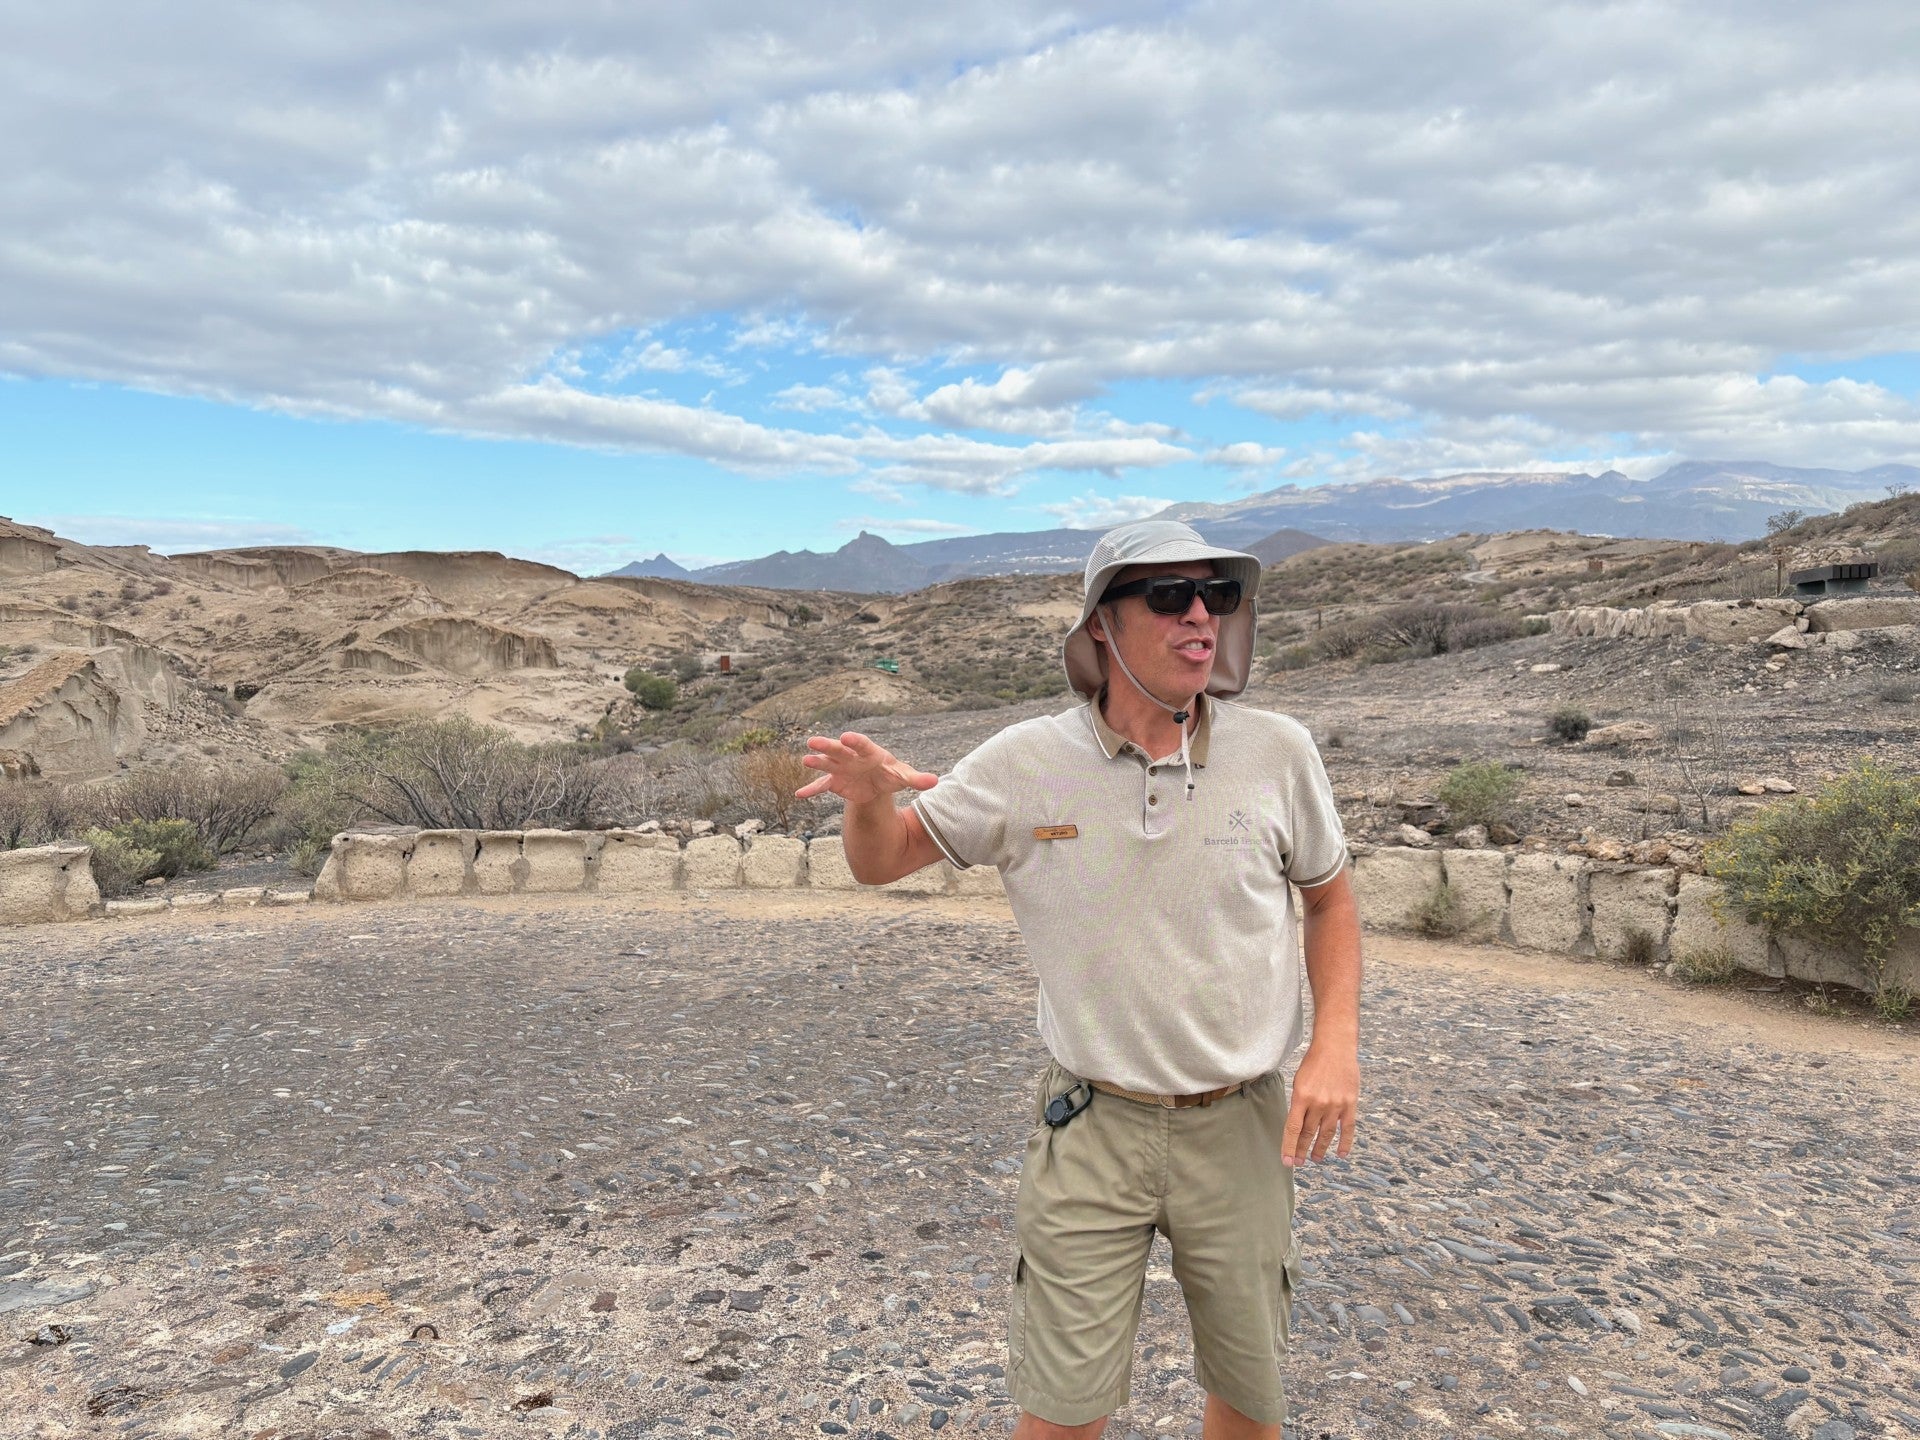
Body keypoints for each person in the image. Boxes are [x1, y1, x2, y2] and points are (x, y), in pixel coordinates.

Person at [796, 520, 1362, 1440]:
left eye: (1216, 597)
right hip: (1090, 1126)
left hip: (1243, 1124)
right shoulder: (1025, 762)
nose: (1200, 617)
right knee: (1062, 1410)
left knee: (1250, 1399)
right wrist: (873, 800)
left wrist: (1333, 1046)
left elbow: (1331, 899)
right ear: (1102, 624)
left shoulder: (1280, 752)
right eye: (1169, 596)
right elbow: (883, 859)